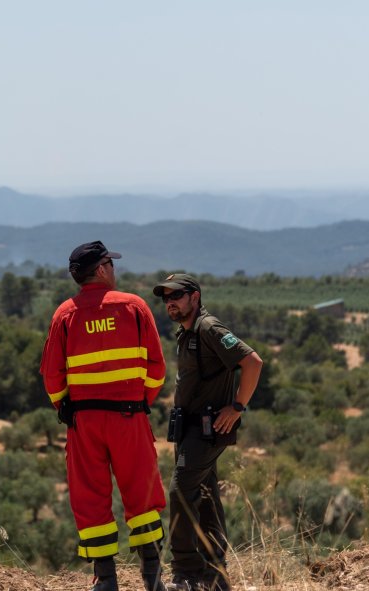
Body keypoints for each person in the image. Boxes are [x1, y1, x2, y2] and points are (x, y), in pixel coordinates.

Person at [40, 241, 168, 591]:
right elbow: (156, 367)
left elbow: (51, 374)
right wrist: (141, 402)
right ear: (100, 270)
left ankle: (105, 579)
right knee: (141, 492)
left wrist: (63, 406)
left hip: (84, 422)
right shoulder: (134, 306)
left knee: (90, 496)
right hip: (129, 417)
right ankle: (152, 576)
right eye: (110, 263)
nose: (114, 269)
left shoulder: (64, 314)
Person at [152, 274, 263, 591]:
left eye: (177, 295)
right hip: (188, 428)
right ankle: (216, 577)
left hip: (207, 429)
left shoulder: (209, 327)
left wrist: (238, 407)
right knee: (205, 498)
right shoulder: (186, 332)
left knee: (179, 492)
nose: (170, 302)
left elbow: (253, 362)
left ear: (195, 297)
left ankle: (186, 572)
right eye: (166, 298)